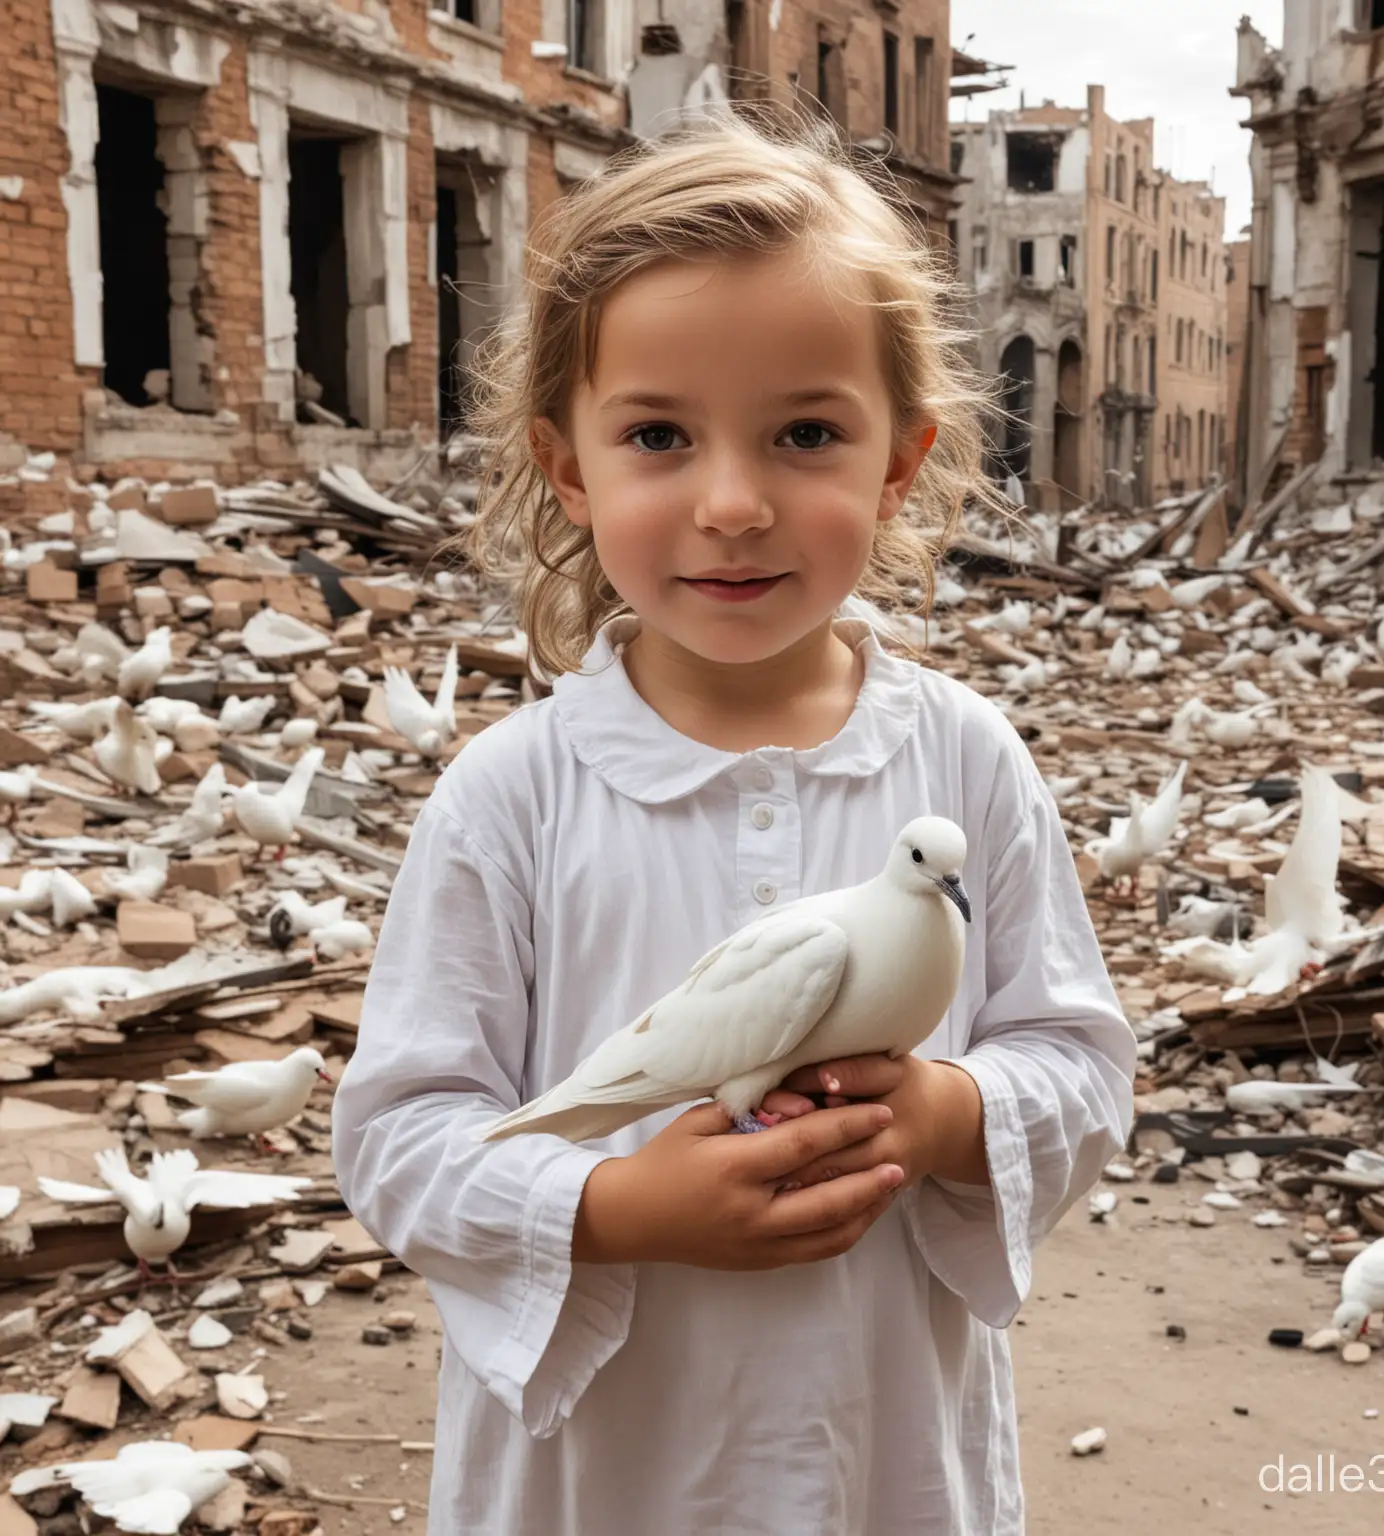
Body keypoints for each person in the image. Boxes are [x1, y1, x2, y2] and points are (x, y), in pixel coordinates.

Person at [332, 109, 1135, 1535]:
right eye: (657, 435)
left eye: (807, 433)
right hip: (598, 1476)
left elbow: (1077, 1062)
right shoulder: (512, 796)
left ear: (902, 462)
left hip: (881, 1454)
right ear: (568, 469)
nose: (733, 502)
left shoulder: (964, 761)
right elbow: (400, 1136)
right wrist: (615, 1208)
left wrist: (950, 1113)